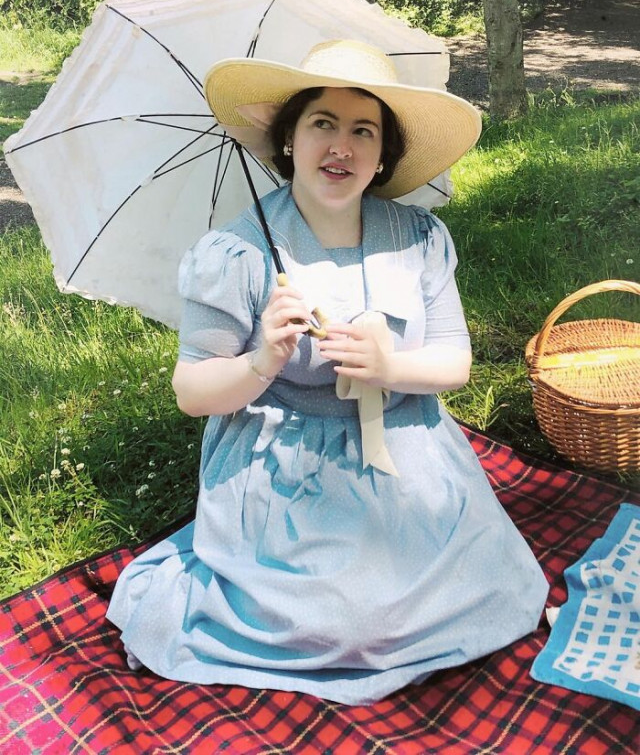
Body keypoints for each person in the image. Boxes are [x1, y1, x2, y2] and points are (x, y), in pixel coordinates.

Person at [107, 40, 548, 705]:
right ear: (290, 139)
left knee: (493, 583)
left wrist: (389, 366)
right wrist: (261, 360)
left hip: (407, 455)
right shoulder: (238, 254)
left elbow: (454, 362)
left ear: (383, 154)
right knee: (350, 626)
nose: (341, 146)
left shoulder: (417, 237)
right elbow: (193, 392)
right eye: (323, 124)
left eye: (363, 130)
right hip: (287, 470)